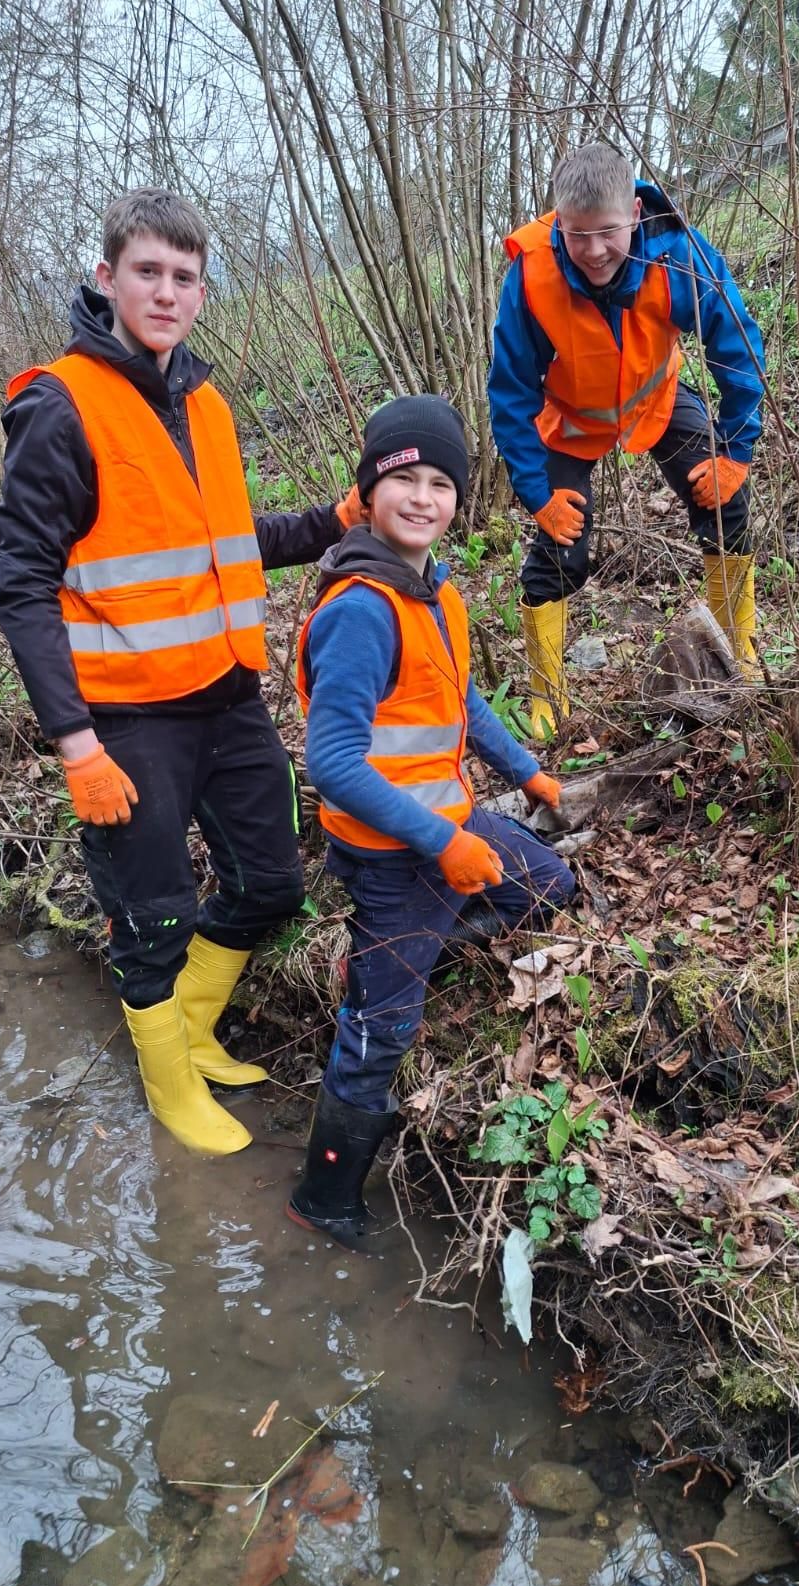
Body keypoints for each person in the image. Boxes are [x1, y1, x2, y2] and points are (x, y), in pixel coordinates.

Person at [0, 188, 366, 1157]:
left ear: (204, 294)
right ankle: (167, 1086)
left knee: (273, 880)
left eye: (184, 278)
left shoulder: (205, 402)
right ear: (106, 277)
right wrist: (74, 743)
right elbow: (22, 589)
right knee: (152, 915)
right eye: (147, 272)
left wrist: (330, 525)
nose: (165, 292)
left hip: (227, 698)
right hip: (123, 722)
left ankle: (195, 1029)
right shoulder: (60, 406)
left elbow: (220, 545)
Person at [289, 395, 576, 1252]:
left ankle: (411, 945)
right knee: (383, 1035)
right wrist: (446, 845)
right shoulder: (361, 611)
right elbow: (331, 762)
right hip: (393, 854)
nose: (422, 497)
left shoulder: (435, 592)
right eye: (403, 479)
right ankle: (324, 1198)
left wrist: (525, 771)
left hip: (449, 823)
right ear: (368, 493)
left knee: (550, 888)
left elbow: (460, 699)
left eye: (440, 483)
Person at [489, 142, 766, 734]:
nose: (592, 251)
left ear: (635, 214)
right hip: (569, 422)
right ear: (558, 219)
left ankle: (736, 654)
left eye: (607, 232)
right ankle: (547, 699)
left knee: (726, 508)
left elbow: (736, 344)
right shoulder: (532, 274)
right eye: (576, 233)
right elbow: (510, 390)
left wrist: (736, 448)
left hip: (657, 400)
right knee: (561, 553)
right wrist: (537, 493)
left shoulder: (676, 253)